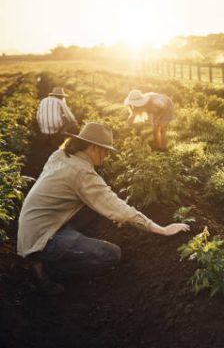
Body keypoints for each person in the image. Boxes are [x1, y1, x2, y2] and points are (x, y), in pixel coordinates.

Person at [17, 122, 190, 295]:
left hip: (32, 229)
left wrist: (114, 214)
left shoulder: (61, 155)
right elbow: (116, 205)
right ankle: (47, 270)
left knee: (95, 208)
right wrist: (161, 229)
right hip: (43, 240)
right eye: (105, 150)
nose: (106, 155)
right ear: (93, 148)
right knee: (111, 254)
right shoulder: (82, 173)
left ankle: (62, 249)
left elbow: (104, 203)